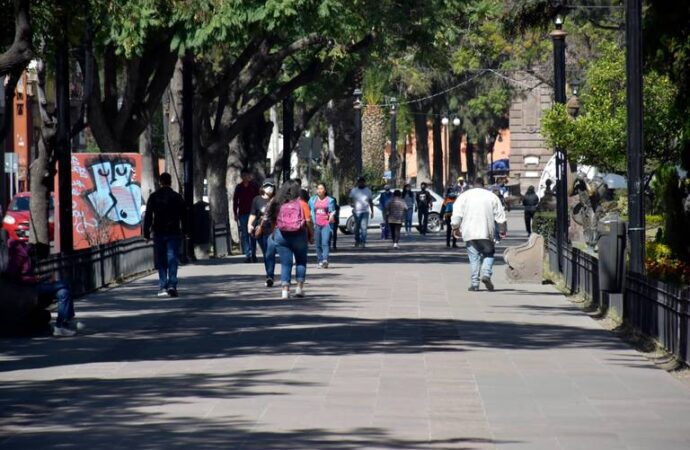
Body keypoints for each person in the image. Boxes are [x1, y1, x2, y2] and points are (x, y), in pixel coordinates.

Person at [5, 239, 80, 336]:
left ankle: (60, 326)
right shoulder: (18, 256)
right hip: (27, 288)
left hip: (32, 284)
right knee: (65, 284)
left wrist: (41, 278)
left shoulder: (25, 255)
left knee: (64, 292)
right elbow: (17, 277)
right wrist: (37, 279)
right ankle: (67, 319)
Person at [451, 177, 507, 292]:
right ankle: (486, 274)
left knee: (474, 257)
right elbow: (500, 216)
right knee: (489, 253)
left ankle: (474, 283)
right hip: (486, 231)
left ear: (473, 185)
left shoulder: (464, 196)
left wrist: (455, 228)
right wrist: (502, 230)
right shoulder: (492, 196)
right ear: (483, 185)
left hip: (469, 231)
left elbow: (456, 215)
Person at [267, 180, 314, 299]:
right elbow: (308, 221)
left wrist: (273, 233)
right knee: (301, 260)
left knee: (285, 263)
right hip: (299, 234)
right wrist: (311, 235)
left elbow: (272, 220)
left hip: (281, 235)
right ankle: (299, 288)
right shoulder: (302, 203)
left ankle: (285, 290)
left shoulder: (277, 203)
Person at [144, 172, 187, 298]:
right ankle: (172, 284)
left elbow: (148, 216)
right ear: (170, 182)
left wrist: (146, 233)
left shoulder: (154, 197)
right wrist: (185, 231)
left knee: (161, 259)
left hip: (159, 231)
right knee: (172, 258)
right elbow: (184, 215)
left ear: (160, 182)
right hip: (173, 231)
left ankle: (163, 286)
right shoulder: (177, 197)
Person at [248, 179, 277, 286]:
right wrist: (249, 225)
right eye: (267, 186)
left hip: (273, 230)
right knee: (266, 254)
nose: (269, 188)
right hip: (261, 230)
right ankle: (269, 275)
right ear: (263, 188)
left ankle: (270, 276)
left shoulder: (276, 200)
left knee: (270, 253)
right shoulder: (257, 200)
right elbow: (253, 214)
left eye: (271, 186)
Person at [233, 169, 260, 263]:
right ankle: (247, 255)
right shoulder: (239, 187)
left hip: (253, 214)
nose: (245, 177)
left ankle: (253, 254)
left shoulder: (254, 186)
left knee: (252, 233)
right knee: (245, 234)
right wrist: (235, 213)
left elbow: (258, 199)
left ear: (249, 176)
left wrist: (259, 212)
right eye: (243, 175)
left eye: (246, 175)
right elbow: (235, 201)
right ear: (241, 176)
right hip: (242, 214)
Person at [309, 183, 337, 268]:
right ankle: (320, 260)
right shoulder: (312, 200)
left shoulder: (330, 200)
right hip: (316, 224)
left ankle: (325, 260)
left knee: (325, 242)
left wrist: (331, 216)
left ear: (325, 190)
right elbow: (310, 210)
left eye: (322, 189)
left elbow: (332, 211)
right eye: (318, 189)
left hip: (326, 224)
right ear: (316, 190)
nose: (320, 190)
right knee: (318, 244)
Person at [349, 177, 374, 248]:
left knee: (364, 227)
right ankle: (357, 241)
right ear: (358, 182)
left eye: (362, 182)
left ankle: (363, 242)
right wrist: (350, 203)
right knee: (356, 228)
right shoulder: (354, 190)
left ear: (364, 182)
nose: (361, 183)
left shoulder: (368, 191)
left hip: (365, 211)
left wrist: (372, 211)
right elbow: (350, 198)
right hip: (356, 211)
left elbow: (371, 202)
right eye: (360, 182)